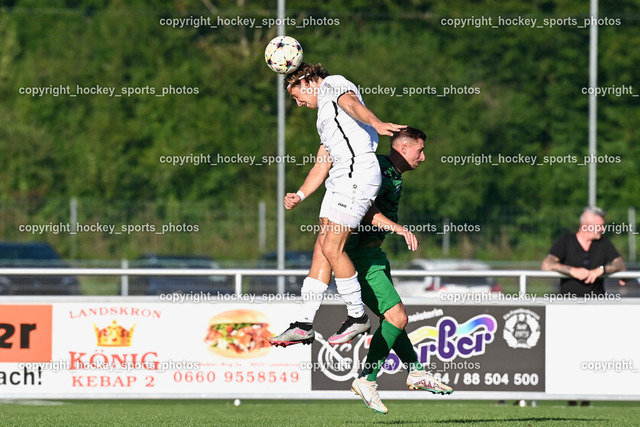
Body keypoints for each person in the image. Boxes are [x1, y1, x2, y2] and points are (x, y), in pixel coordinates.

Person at [273, 127, 453, 414]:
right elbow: (362, 208)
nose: (423, 157)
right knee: (396, 317)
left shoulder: (390, 171)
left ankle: (416, 371)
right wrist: (398, 228)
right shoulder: (377, 169)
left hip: (374, 254)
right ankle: (367, 379)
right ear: (403, 148)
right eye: (420, 150)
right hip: (359, 257)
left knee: (393, 318)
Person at [271, 62, 406, 345]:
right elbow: (322, 164)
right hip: (340, 178)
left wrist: (376, 123)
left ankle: (357, 316)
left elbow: (352, 103)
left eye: (297, 96)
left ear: (307, 82)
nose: (298, 103)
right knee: (322, 250)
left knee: (333, 247)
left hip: (357, 174)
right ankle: (304, 324)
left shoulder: (333, 84)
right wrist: (300, 195)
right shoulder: (326, 116)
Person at [541, 206, 626, 296]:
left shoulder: (604, 242)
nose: (603, 229)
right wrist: (572, 271)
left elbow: (621, 264)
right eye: (599, 226)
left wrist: (602, 269)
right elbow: (547, 264)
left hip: (597, 301)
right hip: (569, 301)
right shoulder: (566, 241)